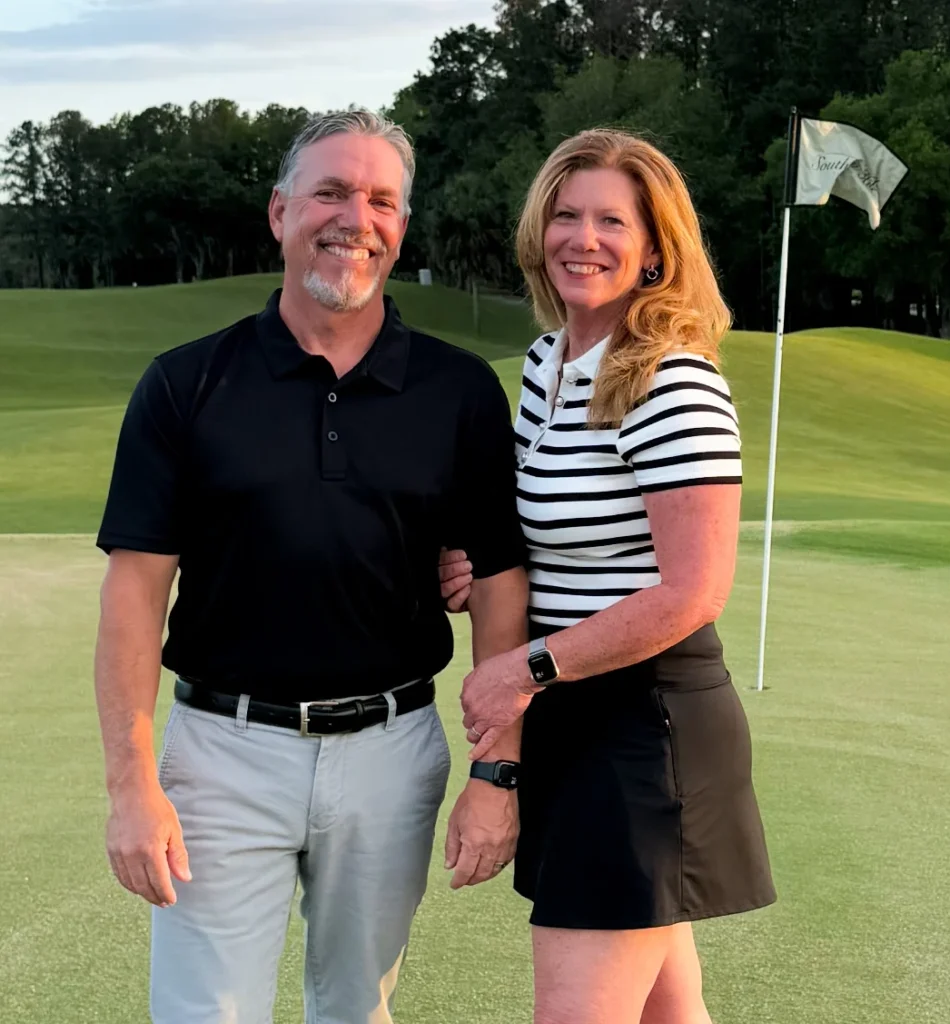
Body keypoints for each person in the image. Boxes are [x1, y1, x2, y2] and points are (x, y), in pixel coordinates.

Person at [93, 109, 529, 1024]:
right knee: (202, 1014)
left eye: (380, 200)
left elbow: (495, 581)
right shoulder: (186, 382)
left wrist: (498, 773)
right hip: (221, 753)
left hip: (392, 749)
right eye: (330, 192)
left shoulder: (458, 392)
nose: (354, 217)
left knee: (354, 1011)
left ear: (401, 227)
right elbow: (136, 592)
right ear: (281, 212)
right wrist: (133, 785)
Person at [439, 128, 776, 1024]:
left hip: (643, 727)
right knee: (671, 1016)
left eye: (611, 221)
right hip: (578, 722)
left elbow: (693, 590)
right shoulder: (550, 363)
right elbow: (555, 529)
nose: (582, 238)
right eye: (565, 214)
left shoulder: (669, 379)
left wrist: (526, 668)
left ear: (656, 246)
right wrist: (477, 566)